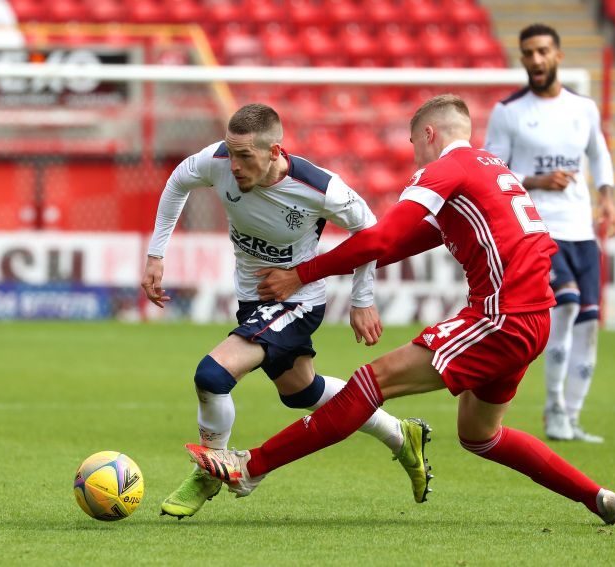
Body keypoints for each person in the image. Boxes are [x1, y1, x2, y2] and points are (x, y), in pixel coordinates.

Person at [185, 95, 615, 525]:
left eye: (412, 144)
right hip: (532, 315)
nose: (413, 156)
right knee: (481, 436)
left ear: (428, 134)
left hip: (500, 317)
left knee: (370, 382)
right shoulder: (491, 166)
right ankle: (600, 499)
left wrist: (302, 274)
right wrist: (346, 269)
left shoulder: (447, 168)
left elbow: (381, 238)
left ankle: (252, 466)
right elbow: (405, 242)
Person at [141, 103, 432, 519]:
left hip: (297, 302)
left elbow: (370, 230)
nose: (234, 166)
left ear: (275, 151)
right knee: (303, 392)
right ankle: (400, 436)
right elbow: (177, 183)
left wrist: (362, 299)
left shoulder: (318, 187)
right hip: (252, 300)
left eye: (246, 156)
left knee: (212, 375)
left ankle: (210, 469)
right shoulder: (218, 160)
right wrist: (156, 256)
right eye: (231, 152)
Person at [484, 24, 615, 444]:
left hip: (581, 229)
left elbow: (599, 153)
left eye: (543, 51)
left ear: (558, 55)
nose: (536, 60)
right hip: (538, 228)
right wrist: (537, 181)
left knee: (590, 321)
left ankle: (573, 417)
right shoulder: (508, 111)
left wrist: (608, 198)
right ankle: (554, 409)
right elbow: (491, 172)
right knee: (565, 305)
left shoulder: (583, 108)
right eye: (528, 53)